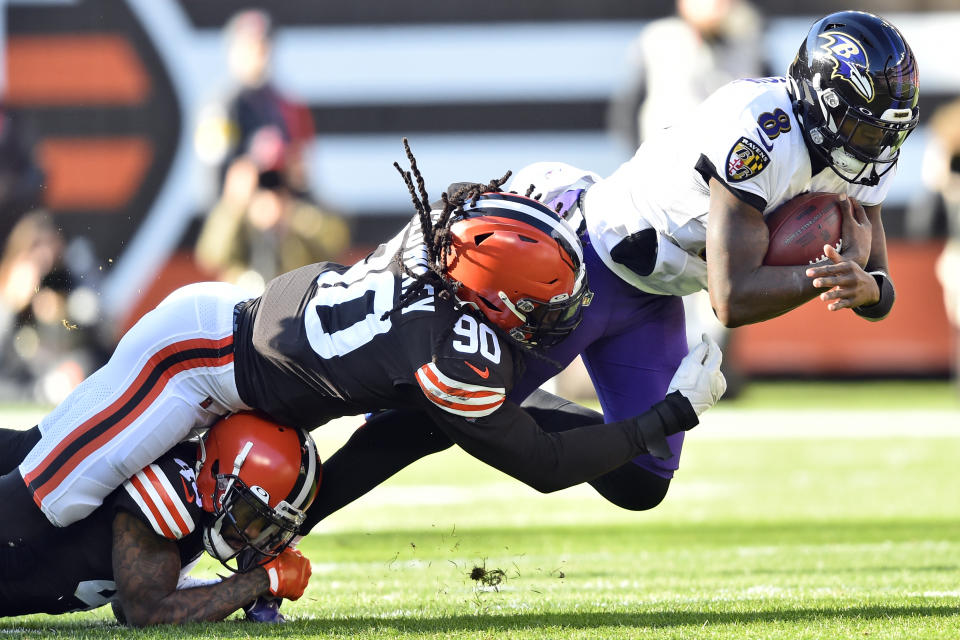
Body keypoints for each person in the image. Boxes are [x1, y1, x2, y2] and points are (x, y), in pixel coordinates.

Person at [296, 10, 918, 532]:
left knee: (641, 480)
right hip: (591, 263)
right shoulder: (761, 132)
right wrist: (833, 276)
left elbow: (879, 289)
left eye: (888, 129)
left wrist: (866, 285)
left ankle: (518, 404)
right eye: (867, 125)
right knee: (430, 420)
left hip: (657, 292)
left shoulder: (859, 153)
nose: (877, 146)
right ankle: (284, 523)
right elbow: (731, 299)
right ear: (823, 103)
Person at [0, 140, 727, 559]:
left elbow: (407, 436)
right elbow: (544, 465)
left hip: (221, 345)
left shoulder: (435, 249)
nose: (557, 322)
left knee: (43, 448)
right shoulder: (455, 354)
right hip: (194, 366)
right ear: (495, 298)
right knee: (48, 498)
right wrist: (672, 414)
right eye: (544, 305)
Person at [0, 412, 318, 625]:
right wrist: (260, 580)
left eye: (267, 526)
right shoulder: (174, 486)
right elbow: (144, 610)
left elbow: (135, 595)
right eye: (251, 513)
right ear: (220, 473)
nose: (250, 532)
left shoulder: (201, 509)